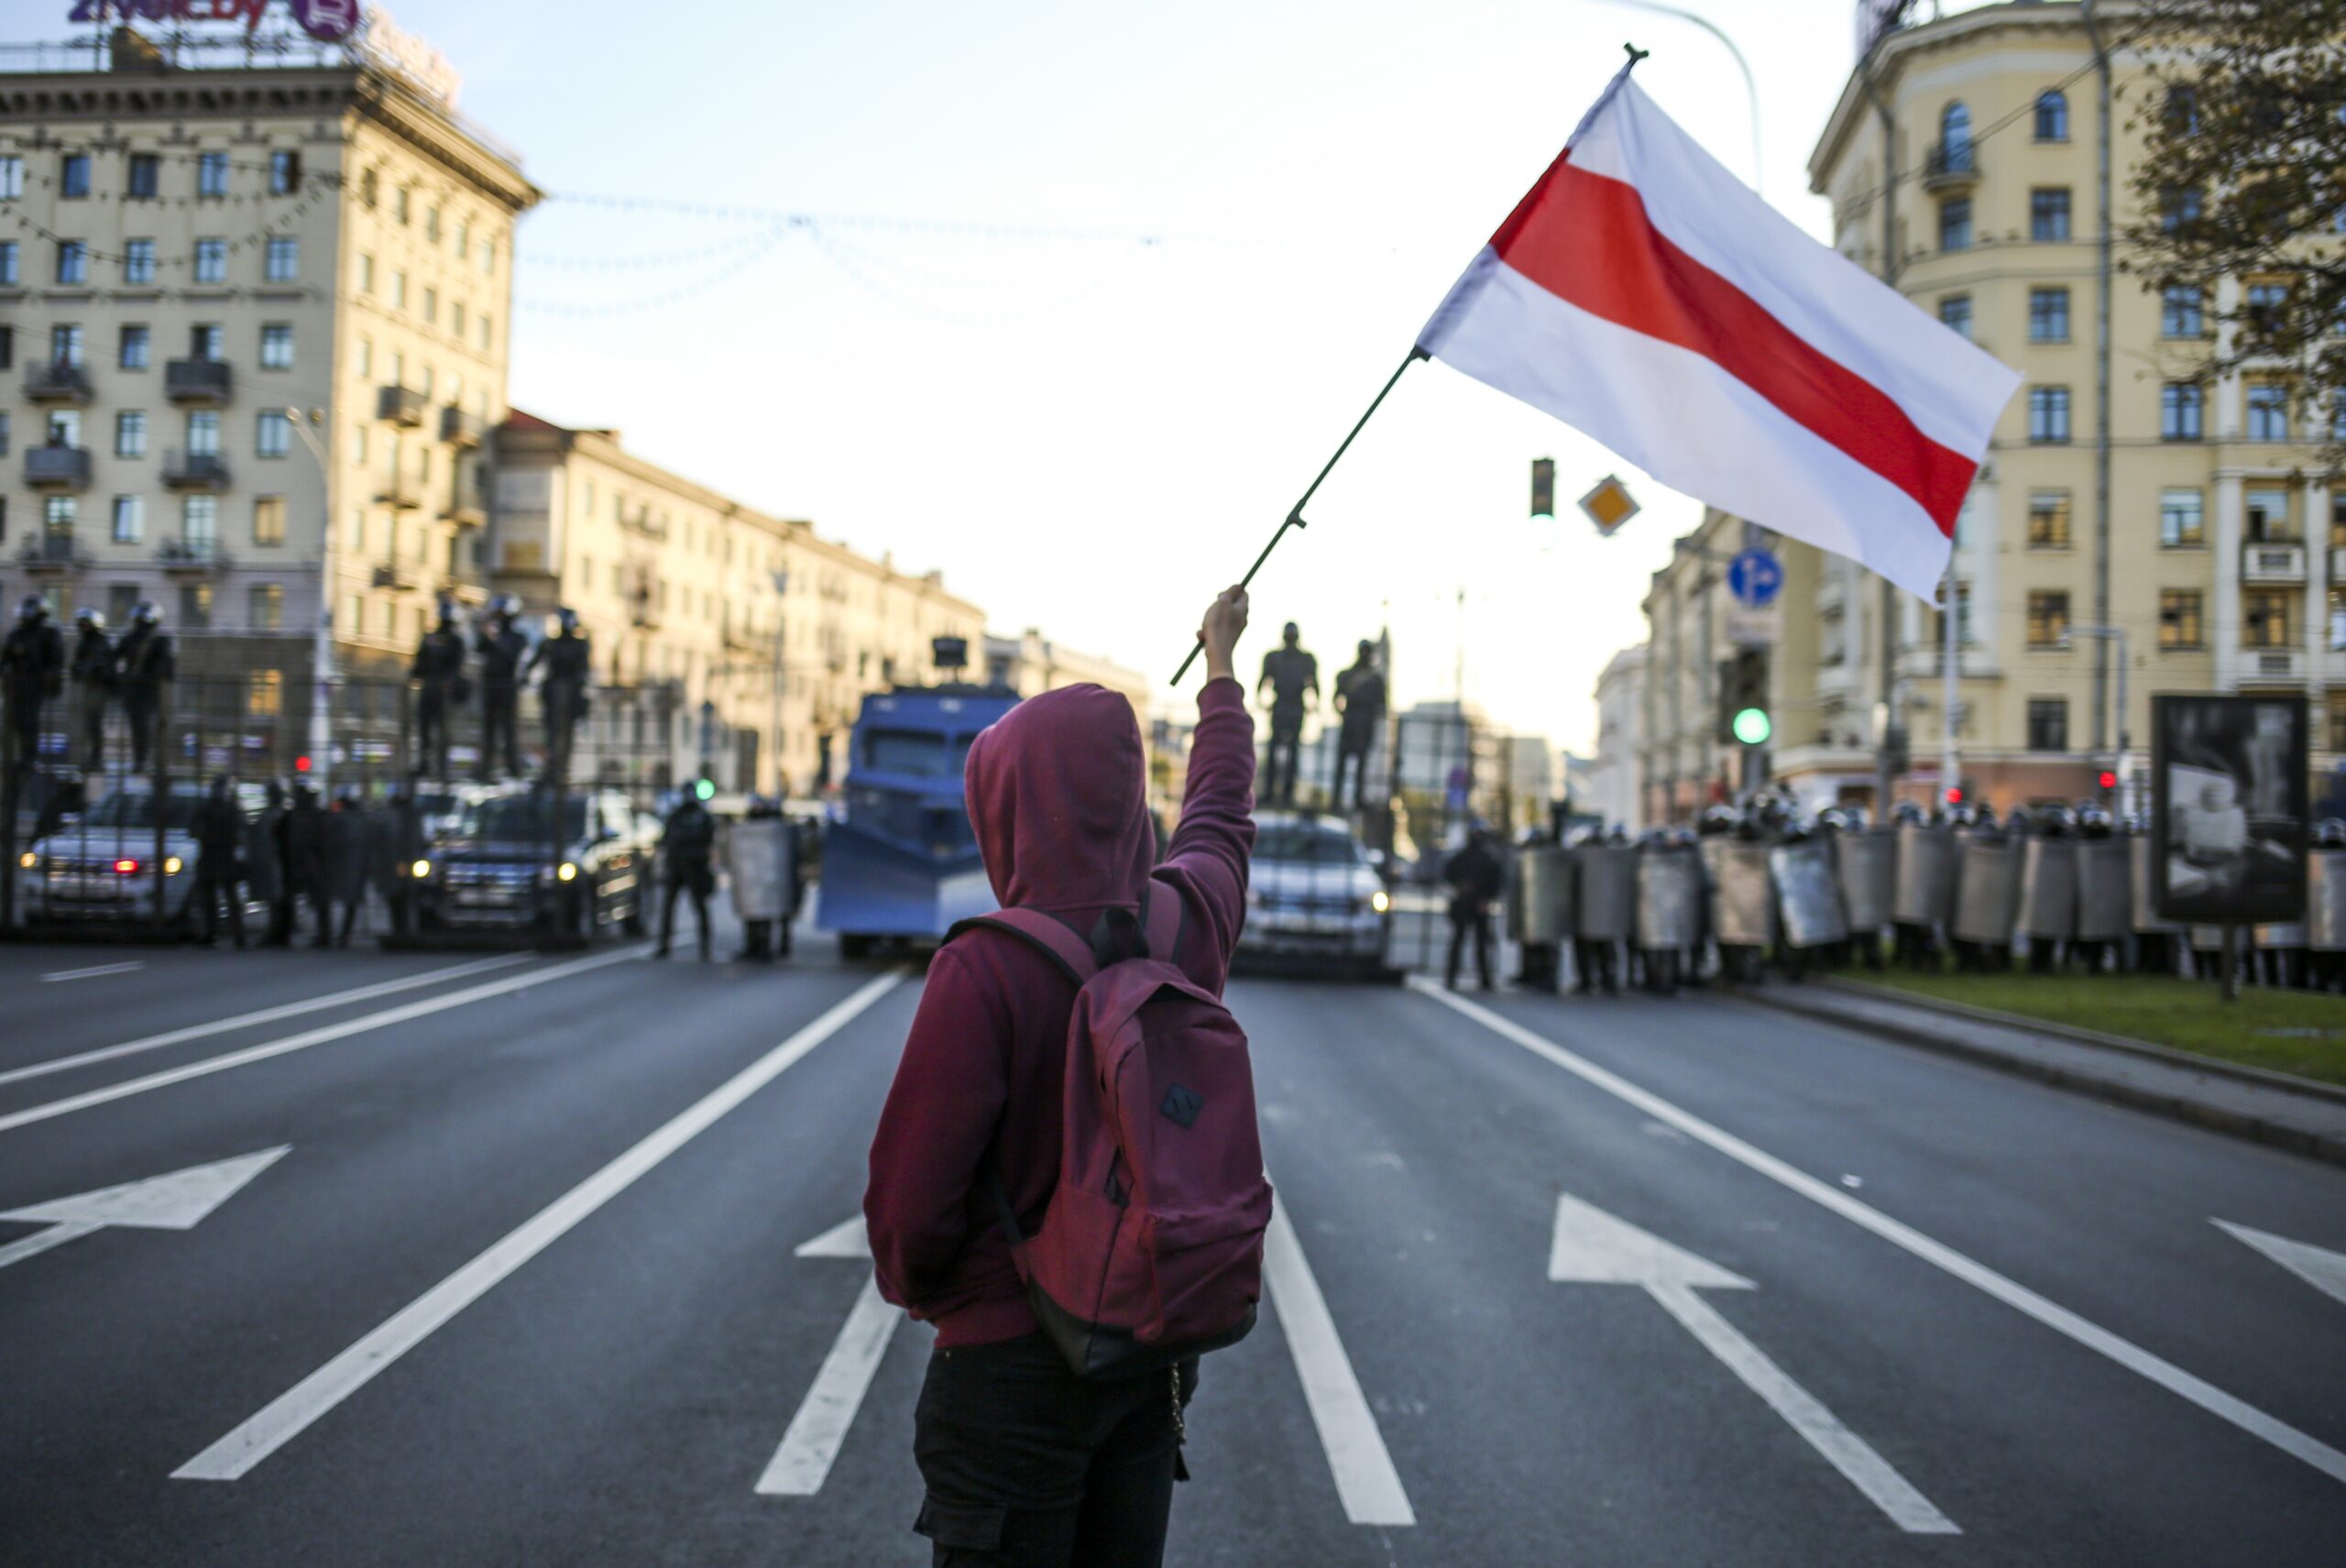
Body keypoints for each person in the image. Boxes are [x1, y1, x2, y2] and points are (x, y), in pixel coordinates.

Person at [865, 586, 1256, 1568]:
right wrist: (1221, 671)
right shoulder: (1185, 923)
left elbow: (910, 1210)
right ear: (1127, 800)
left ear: (1007, 808)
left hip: (1007, 1369)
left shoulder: (983, 967)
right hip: (1148, 1352)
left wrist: (949, 1298)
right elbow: (1220, 816)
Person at [526, 609, 592, 784]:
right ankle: (553, 767)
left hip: (569, 693)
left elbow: (584, 670)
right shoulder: (549, 644)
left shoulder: (579, 645)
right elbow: (533, 663)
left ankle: (561, 769)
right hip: (553, 692)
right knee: (552, 732)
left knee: (565, 734)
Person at [1255, 621, 1317, 808]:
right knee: (1274, 749)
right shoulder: (1274, 658)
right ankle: (1269, 792)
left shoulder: (1306, 659)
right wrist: (1261, 701)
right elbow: (1263, 680)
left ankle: (1287, 793)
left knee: (1293, 751)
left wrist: (1314, 704)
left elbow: (1314, 683)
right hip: (1281, 704)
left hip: (1295, 706)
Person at [3, 596, 64, 778]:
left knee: (29, 721)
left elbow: (56, 659)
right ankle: (13, 755)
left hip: (35, 684)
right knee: (12, 721)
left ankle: (29, 757)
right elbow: (5, 657)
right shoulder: (16, 634)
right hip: (15, 685)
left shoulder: (49, 633)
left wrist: (51, 676)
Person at [655, 784, 716, 960]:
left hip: (695, 867)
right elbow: (667, 838)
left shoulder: (701, 817)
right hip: (677, 866)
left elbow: (706, 838)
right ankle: (665, 944)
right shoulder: (678, 815)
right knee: (670, 907)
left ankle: (705, 946)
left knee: (699, 906)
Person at [411, 600, 468, 784]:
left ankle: (441, 768)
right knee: (425, 729)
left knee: (441, 731)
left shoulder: (455, 641)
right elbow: (420, 662)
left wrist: (447, 681)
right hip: (431, 688)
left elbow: (456, 666)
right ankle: (426, 764)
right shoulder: (431, 638)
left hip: (442, 691)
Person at [115, 601, 175, 773]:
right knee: (139, 725)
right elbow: (115, 657)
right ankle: (141, 760)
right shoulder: (130, 639)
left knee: (146, 725)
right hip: (136, 689)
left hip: (149, 689)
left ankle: (145, 761)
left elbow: (167, 663)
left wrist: (156, 673)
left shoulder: (160, 641)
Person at [190, 776, 247, 948]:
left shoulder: (213, 808)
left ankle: (220, 934)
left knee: (217, 898)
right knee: (219, 898)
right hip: (218, 855)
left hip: (216, 855)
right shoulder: (226, 808)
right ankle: (232, 935)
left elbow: (194, 830)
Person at [475, 596, 528, 781]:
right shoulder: (492, 635)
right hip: (491, 686)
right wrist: (486, 634)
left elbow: (510, 655)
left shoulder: (517, 637)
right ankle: (485, 770)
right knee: (488, 730)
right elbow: (479, 648)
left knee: (509, 730)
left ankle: (514, 770)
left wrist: (494, 640)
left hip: (507, 687)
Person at [1443, 827, 1503, 991]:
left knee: (1477, 943)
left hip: (1476, 904)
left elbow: (1495, 881)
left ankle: (1480, 978)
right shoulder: (1470, 859)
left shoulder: (1483, 859)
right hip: (1468, 903)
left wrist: (1485, 898)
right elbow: (1449, 874)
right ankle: (1455, 977)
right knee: (1465, 942)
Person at [1330, 639, 1386, 813]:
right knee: (1346, 762)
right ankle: (1339, 798)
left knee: (1359, 763)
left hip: (1359, 720)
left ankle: (1349, 798)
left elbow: (1381, 705)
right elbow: (1336, 698)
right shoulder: (1355, 676)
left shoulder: (1373, 679)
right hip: (1355, 720)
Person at [286, 783, 332, 948]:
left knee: (317, 898)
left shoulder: (301, 816)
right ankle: (323, 933)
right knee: (318, 899)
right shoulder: (310, 815)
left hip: (311, 859)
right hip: (310, 860)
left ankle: (323, 934)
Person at [323, 785, 369, 948]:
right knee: (351, 902)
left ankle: (339, 933)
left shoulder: (338, 820)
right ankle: (344, 933)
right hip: (354, 866)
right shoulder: (361, 820)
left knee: (335, 900)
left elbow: (330, 842)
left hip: (341, 865)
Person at [69, 607, 114, 772]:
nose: (84, 628)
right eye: (82, 625)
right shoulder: (84, 642)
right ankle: (91, 758)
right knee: (89, 724)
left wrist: (86, 669)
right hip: (88, 687)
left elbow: (101, 664)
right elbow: (78, 664)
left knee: (94, 723)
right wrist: (77, 669)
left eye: (87, 625)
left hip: (98, 688)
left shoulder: (102, 642)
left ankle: (96, 758)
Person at [248, 779, 290, 947]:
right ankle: (276, 932)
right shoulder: (272, 815)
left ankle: (278, 932)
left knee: (277, 899)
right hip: (272, 860)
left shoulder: (278, 815)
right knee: (274, 899)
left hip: (277, 861)